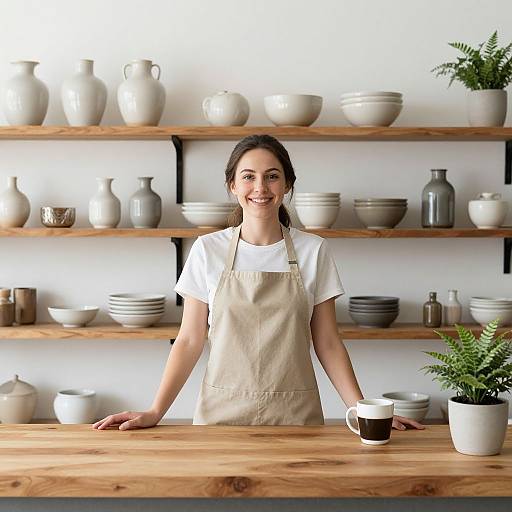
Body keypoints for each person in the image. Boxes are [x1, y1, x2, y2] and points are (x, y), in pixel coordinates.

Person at [93, 134, 424, 430]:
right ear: (233, 185)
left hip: (296, 418)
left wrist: (363, 411)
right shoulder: (208, 250)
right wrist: (155, 411)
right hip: (220, 417)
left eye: (272, 177)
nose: (260, 188)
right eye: (248, 177)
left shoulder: (314, 250)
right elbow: (190, 340)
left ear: (288, 185)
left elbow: (328, 343)